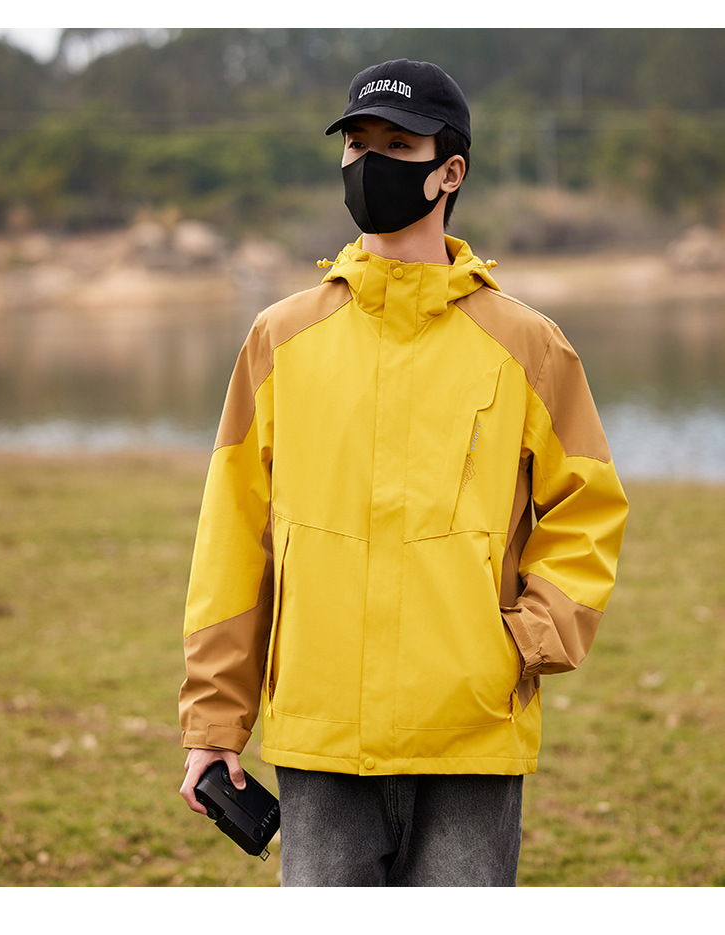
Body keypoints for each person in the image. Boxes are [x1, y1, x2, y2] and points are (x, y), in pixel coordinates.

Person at [179, 58, 628, 887]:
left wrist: (524, 642)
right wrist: (215, 719)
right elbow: (233, 540)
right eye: (357, 144)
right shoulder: (279, 339)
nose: (369, 162)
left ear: (450, 171)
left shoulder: (528, 344)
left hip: (470, 730)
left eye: (396, 144)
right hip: (321, 730)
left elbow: (589, 505)